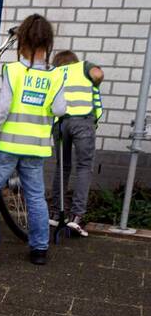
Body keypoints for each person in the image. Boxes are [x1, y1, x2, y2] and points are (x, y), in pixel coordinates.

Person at [0, 14, 67, 266]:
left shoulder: (14, 71)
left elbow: (2, 109)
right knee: (35, 197)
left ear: (22, 41)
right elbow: (60, 110)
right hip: (36, 148)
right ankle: (39, 249)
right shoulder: (57, 76)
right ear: (48, 43)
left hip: (7, 145)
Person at [48, 49, 104, 237]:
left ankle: (56, 214)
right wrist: (95, 82)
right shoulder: (82, 66)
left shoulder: (53, 72)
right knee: (83, 167)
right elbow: (97, 74)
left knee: (62, 168)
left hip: (61, 124)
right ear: (74, 61)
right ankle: (76, 218)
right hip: (82, 122)